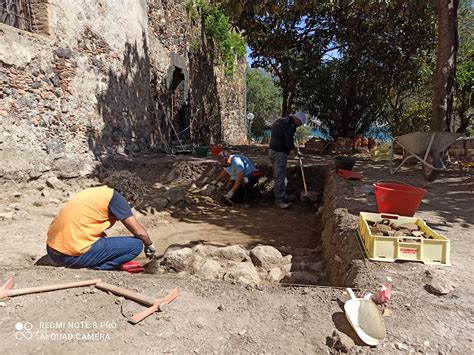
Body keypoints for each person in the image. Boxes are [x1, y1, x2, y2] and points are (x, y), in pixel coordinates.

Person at [46, 171, 156, 270]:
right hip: (69, 257)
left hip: (52, 251)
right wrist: (149, 245)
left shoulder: (98, 191)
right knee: (135, 245)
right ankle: (99, 268)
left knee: (104, 238)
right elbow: (140, 233)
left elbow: (89, 224)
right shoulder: (116, 198)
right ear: (130, 195)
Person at [268, 111, 306, 209]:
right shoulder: (290, 126)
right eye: (300, 124)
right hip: (279, 153)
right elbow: (289, 143)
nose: (299, 126)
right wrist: (297, 152)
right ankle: (279, 200)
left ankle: (283, 196)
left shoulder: (280, 120)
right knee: (280, 177)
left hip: (271, 150)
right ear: (297, 120)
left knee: (279, 175)